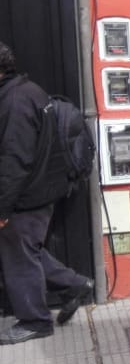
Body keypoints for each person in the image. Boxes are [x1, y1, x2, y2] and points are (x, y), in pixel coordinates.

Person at [0, 41, 94, 345]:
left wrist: (2, 208)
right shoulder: (26, 91)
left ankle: (35, 321)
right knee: (26, 249)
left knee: (20, 255)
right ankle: (74, 285)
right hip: (40, 189)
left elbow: (14, 161)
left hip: (26, 196)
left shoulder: (14, 102)